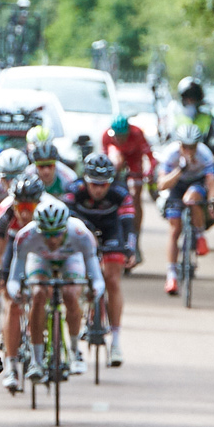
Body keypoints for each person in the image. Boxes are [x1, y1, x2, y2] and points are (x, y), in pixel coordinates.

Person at [7, 199, 106, 379]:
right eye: (47, 235)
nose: (52, 240)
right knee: (37, 294)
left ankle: (75, 351)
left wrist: (95, 290)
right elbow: (14, 278)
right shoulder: (25, 236)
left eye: (57, 234)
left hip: (71, 259)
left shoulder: (81, 234)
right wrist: (17, 292)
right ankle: (36, 361)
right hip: (40, 259)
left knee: (70, 293)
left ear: (65, 228)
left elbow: (96, 277)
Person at [64, 153, 135, 365]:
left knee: (112, 280)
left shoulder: (120, 193)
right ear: (85, 179)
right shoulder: (73, 190)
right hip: (83, 229)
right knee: (77, 273)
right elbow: (66, 217)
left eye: (104, 185)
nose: (98, 189)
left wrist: (130, 249)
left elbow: (128, 223)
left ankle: (115, 342)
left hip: (111, 230)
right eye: (94, 184)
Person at [0, 172, 52, 390]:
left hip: (40, 250)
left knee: (41, 294)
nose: (24, 212)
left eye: (29, 207)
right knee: (12, 304)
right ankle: (11, 364)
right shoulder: (5, 212)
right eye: (20, 206)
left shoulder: (48, 210)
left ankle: (40, 351)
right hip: (13, 249)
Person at [157, 124, 214, 296]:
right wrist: (180, 169)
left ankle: (199, 235)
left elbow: (211, 182)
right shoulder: (170, 154)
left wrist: (213, 202)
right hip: (175, 184)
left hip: (196, 184)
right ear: (179, 144)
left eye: (192, 146)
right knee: (174, 229)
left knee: (191, 199)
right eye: (185, 146)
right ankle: (171, 275)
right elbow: (162, 184)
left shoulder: (205, 154)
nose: (189, 150)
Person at [102, 114, 155, 264]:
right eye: (117, 136)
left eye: (123, 136)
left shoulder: (137, 134)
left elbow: (150, 156)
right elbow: (105, 160)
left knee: (134, 194)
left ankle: (135, 237)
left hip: (134, 162)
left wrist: (149, 171)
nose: (120, 139)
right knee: (115, 162)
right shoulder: (106, 136)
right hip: (118, 164)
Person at [177, 77, 214, 145]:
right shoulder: (176, 115)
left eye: (193, 98)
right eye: (187, 98)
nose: (190, 101)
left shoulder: (206, 116)